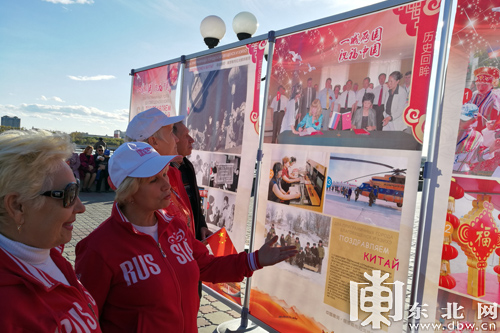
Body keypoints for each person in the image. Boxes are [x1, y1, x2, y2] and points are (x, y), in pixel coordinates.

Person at [75, 142, 297, 332]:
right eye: (154, 180)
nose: (167, 185)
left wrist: (255, 259)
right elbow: (87, 321)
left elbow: (206, 267)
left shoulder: (176, 227)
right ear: (128, 191)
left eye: (165, 174)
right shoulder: (98, 248)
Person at [0, 130, 100, 332]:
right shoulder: (8, 307)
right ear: (18, 206)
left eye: (78, 190)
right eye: (70, 194)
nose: (81, 207)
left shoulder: (48, 254)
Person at [126, 108, 195, 236]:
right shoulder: (140, 186)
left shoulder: (173, 172)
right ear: (154, 141)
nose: (177, 139)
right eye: (170, 133)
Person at [171, 121, 212, 241]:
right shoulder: (161, 171)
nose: (192, 140)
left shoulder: (187, 165)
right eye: (185, 136)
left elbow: (195, 201)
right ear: (173, 139)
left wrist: (201, 226)